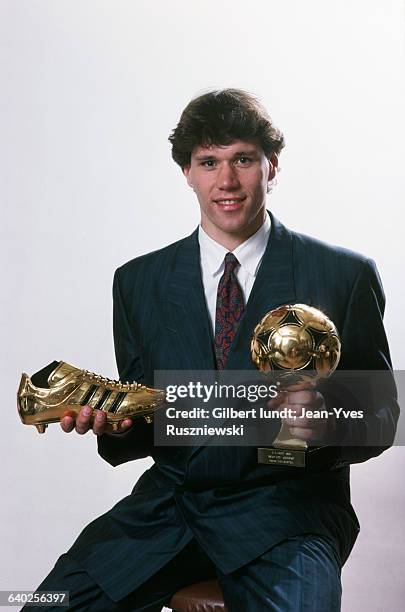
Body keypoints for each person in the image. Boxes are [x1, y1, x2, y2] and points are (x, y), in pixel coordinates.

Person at [32, 89, 399, 611]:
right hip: (169, 510)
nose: (225, 182)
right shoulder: (139, 282)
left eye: (242, 160)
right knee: (45, 605)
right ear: (188, 172)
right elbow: (154, 414)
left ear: (271, 166)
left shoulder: (343, 274)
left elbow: (384, 414)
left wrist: (326, 418)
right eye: (208, 162)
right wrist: (115, 423)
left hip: (287, 514)